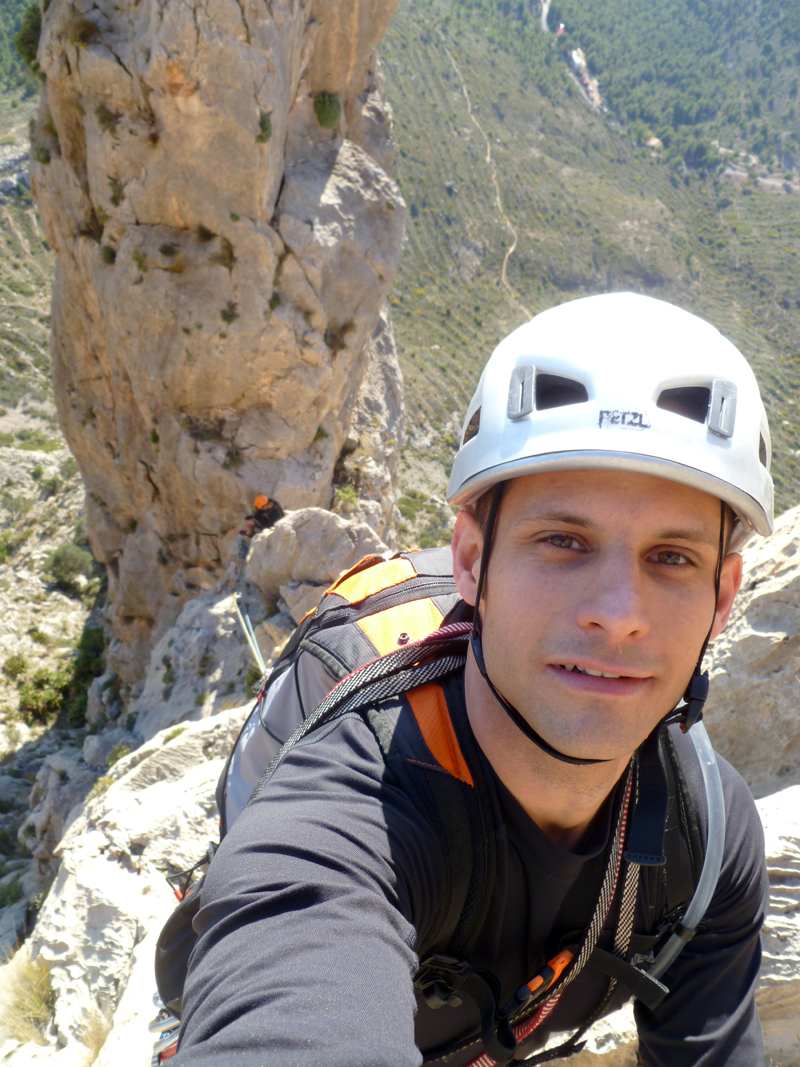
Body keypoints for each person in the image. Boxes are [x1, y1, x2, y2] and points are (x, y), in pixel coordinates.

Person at [173, 293, 772, 1066]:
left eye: (672, 557)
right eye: (563, 541)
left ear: (723, 597)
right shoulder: (349, 815)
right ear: (469, 559)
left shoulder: (709, 834)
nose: (619, 614)